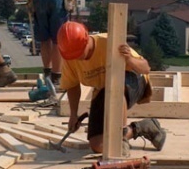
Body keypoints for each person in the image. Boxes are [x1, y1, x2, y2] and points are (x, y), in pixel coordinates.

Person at [57, 21, 166, 156]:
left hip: (133, 82)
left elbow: (146, 68)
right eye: (73, 55)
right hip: (104, 90)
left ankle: (120, 139)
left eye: (78, 53)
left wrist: (129, 60)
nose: (77, 58)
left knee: (115, 85)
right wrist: (73, 114)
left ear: (85, 41)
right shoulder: (70, 57)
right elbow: (72, 85)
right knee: (98, 145)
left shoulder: (109, 43)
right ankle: (143, 128)